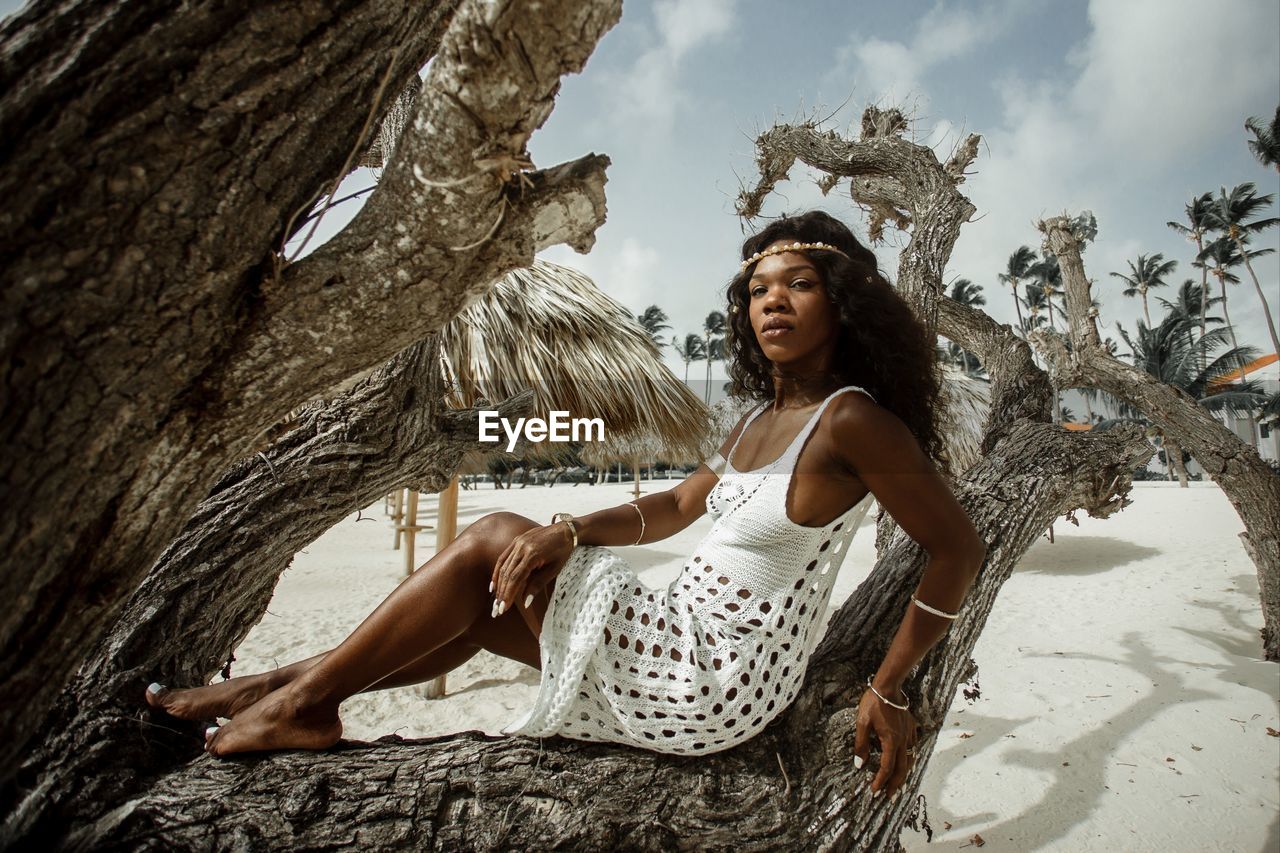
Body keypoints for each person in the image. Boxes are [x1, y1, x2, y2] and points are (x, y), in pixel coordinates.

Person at [145, 210, 985, 800]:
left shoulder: (851, 418)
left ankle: (298, 701)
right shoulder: (759, 419)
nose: (772, 301)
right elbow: (675, 506)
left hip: (716, 671)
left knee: (490, 539)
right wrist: (573, 527)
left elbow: (958, 549)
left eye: (798, 283)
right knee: (482, 602)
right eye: (758, 288)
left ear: (840, 302)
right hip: (670, 625)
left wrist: (893, 687)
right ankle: (283, 685)